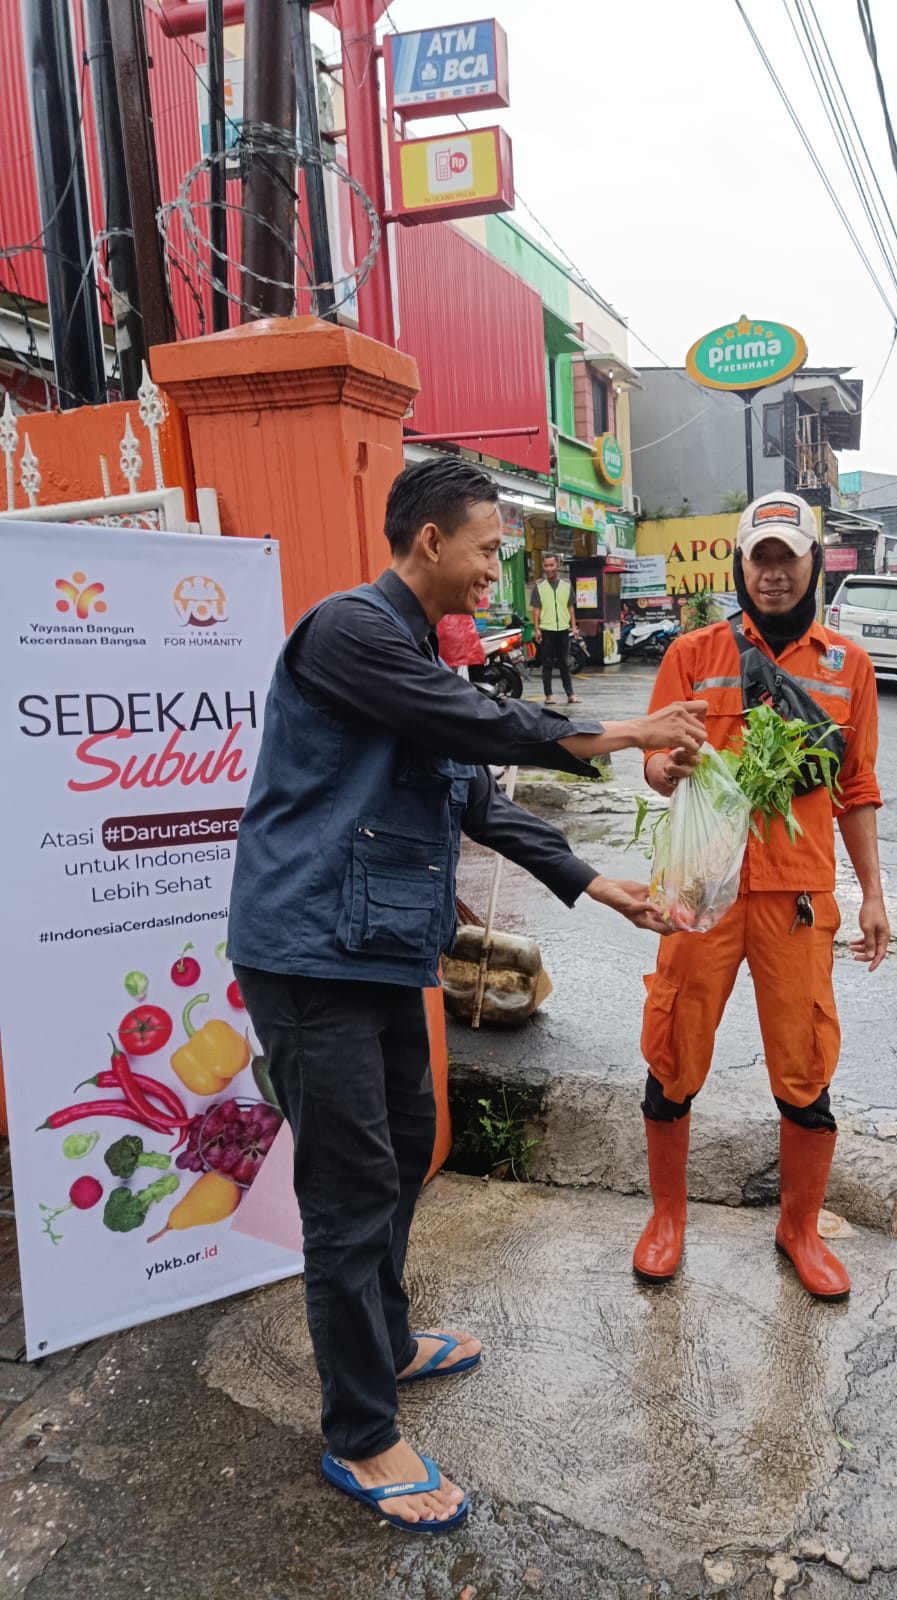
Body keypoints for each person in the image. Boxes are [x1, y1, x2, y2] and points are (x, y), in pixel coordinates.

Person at [227, 458, 707, 1534]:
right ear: (429, 540)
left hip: (380, 947)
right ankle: (359, 1430)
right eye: (489, 547)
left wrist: (595, 884)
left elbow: (474, 795)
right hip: (310, 951)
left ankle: (385, 1341)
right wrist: (629, 732)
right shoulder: (349, 631)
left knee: (406, 1144)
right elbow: (490, 733)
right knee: (350, 1191)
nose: (498, 568)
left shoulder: (411, 654)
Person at [632, 492, 890, 1300]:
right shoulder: (692, 652)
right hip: (702, 884)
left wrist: (875, 892)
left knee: (805, 1066)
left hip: (798, 899)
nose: (772, 573)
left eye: (787, 556)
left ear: (815, 561)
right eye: (758, 558)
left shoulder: (849, 667)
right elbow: (651, 759)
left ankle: (799, 1229)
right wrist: (662, 767)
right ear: (740, 567)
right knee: (672, 1049)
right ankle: (665, 1218)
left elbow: (857, 787)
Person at [531, 552, 580, 705]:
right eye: (546, 566)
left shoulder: (567, 586)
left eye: (551, 565)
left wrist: (574, 627)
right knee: (547, 664)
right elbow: (536, 610)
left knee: (565, 663)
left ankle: (570, 694)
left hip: (563, 630)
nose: (548, 568)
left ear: (557, 566)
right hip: (547, 630)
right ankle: (549, 696)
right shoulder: (539, 587)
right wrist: (537, 629)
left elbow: (571, 608)